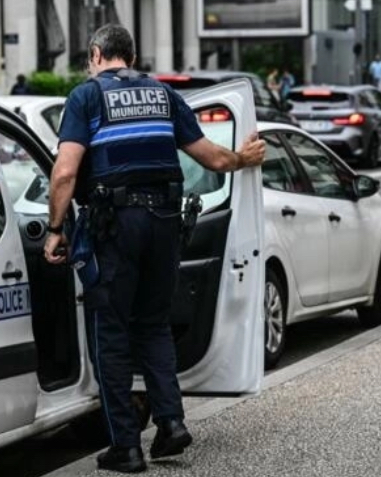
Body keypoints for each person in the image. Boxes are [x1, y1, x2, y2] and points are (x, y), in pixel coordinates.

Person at [42, 24, 266, 473]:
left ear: (97, 53)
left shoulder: (86, 97)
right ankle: (171, 423)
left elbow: (65, 173)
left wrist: (54, 228)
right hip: (166, 222)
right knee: (154, 326)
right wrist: (245, 158)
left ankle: (126, 446)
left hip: (114, 226)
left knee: (112, 333)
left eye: (90, 59)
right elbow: (214, 158)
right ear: (133, 53)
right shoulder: (164, 96)